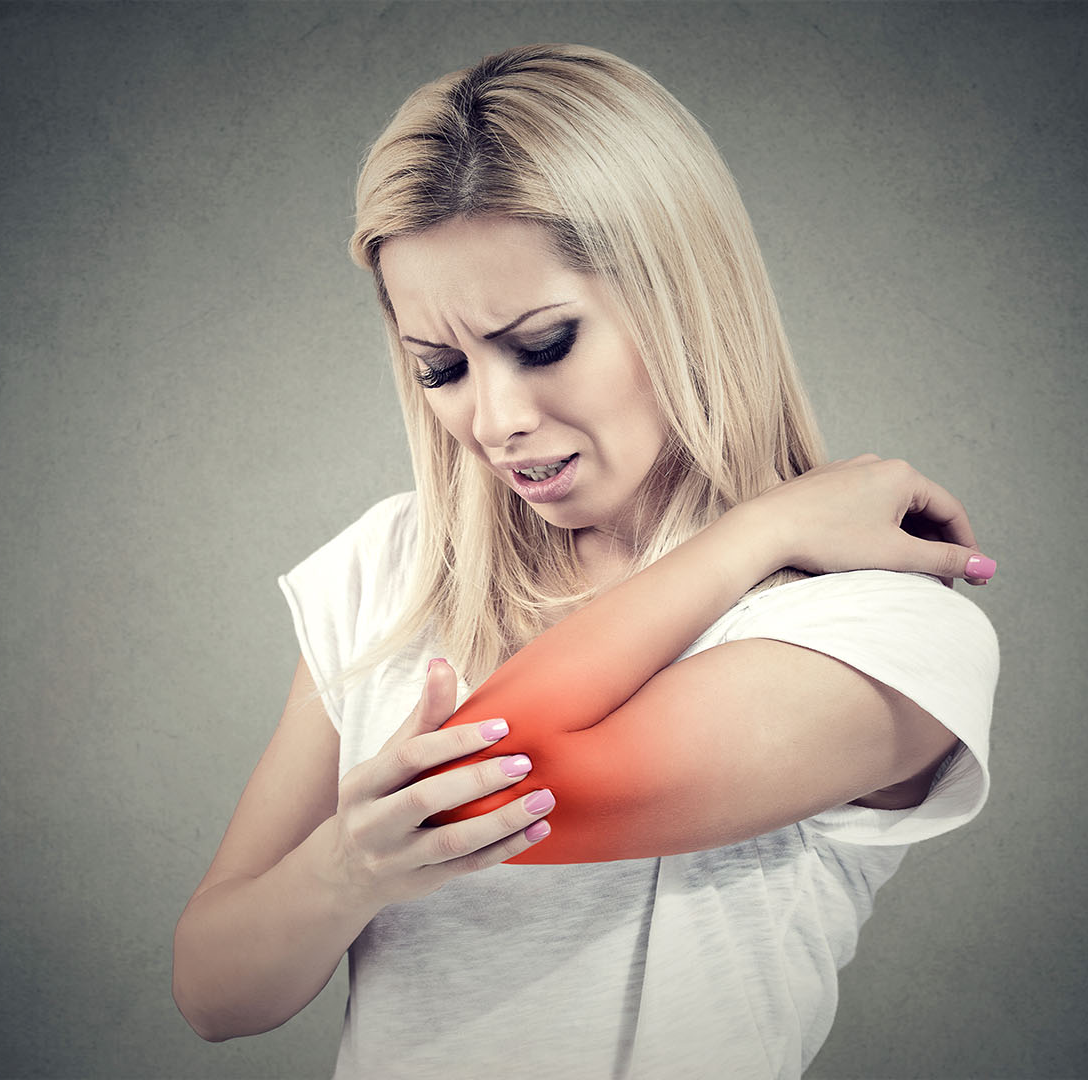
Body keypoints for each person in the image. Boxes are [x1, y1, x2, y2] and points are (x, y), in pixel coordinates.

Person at [172, 43, 999, 1077]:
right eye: (442, 368)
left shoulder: (876, 621)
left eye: (544, 343)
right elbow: (213, 990)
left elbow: (489, 791)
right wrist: (347, 870)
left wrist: (754, 534)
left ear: (684, 299)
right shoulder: (395, 569)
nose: (496, 420)